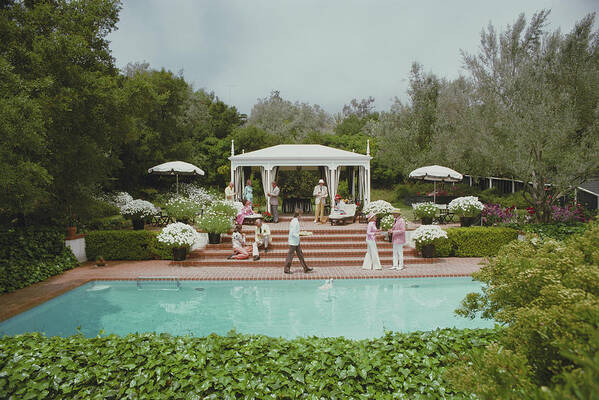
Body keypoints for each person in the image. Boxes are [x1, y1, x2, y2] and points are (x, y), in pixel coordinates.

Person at [284, 209, 313, 274]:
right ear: (299, 215)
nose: (301, 216)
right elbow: (293, 233)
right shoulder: (295, 222)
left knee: (300, 254)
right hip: (293, 241)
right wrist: (301, 234)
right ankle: (286, 269)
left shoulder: (294, 220)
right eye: (301, 215)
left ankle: (305, 268)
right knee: (290, 255)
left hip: (296, 241)